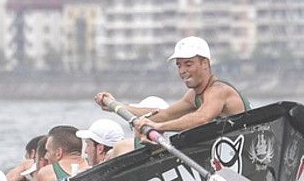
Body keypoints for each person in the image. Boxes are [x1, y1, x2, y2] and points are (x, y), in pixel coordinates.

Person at [94, 37, 249, 135]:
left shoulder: (218, 90)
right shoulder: (193, 96)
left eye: (188, 64)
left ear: (205, 63)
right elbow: (165, 114)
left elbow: (202, 118)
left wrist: (159, 127)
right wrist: (118, 106)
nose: (182, 71)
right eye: (179, 65)